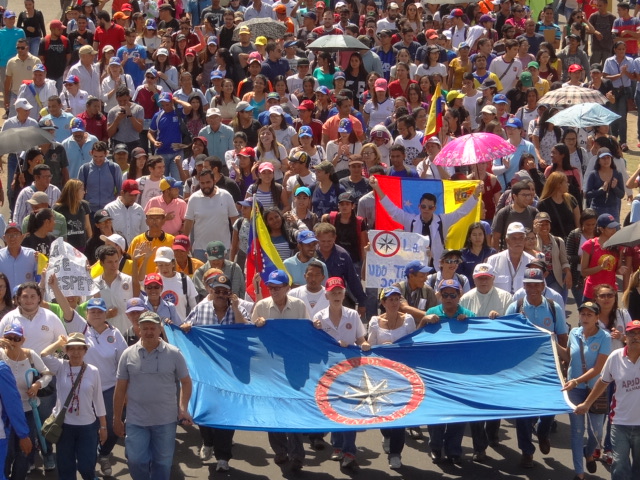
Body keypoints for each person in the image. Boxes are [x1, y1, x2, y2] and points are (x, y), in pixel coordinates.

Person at [179, 271, 248, 470]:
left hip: (229, 372)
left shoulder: (238, 309)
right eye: (217, 290)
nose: (220, 294)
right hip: (205, 371)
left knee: (227, 412)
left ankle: (223, 457)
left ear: (230, 294)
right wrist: (184, 327)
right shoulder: (201, 309)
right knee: (206, 409)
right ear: (211, 291)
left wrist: (235, 307)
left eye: (224, 292)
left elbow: (245, 330)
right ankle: (207, 441)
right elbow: (188, 325)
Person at [113, 310, 193, 480]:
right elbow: (120, 389)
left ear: (160, 330)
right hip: (136, 421)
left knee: (162, 464)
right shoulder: (127, 354)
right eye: (145, 328)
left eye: (153, 328)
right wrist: (117, 418)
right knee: (135, 461)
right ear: (139, 330)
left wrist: (183, 408)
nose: (149, 332)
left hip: (165, 421)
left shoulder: (174, 353)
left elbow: (186, 382)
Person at [505, 268, 567, 468]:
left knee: (549, 407)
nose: (532, 288)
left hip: (548, 367)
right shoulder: (515, 307)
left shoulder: (553, 307)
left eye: (536, 284)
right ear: (523, 286)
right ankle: (526, 451)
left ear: (543, 286)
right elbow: (505, 337)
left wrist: (565, 362)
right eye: (528, 284)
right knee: (523, 413)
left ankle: (542, 432)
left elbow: (562, 336)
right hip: (522, 369)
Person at [251, 269, 309, 471]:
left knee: (293, 408)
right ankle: (280, 450)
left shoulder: (299, 306)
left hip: (294, 365)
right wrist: (256, 326)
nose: (273, 291)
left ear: (287, 288)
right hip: (270, 367)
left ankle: (297, 455)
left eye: (277, 287)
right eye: (270, 287)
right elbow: (252, 339)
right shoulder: (261, 306)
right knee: (274, 408)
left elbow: (307, 333)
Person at [312, 277, 370, 472]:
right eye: (333, 293)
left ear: (344, 294)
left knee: (350, 409)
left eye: (340, 292)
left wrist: (363, 345)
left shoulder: (353, 315)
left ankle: (349, 451)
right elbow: (316, 345)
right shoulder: (318, 317)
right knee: (334, 408)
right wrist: (316, 329)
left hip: (351, 369)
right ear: (326, 295)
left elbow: (361, 338)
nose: (336, 296)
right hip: (329, 371)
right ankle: (337, 445)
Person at [575, 319, 640, 480]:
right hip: (619, 423)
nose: (636, 337)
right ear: (626, 336)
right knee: (619, 465)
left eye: (639, 334)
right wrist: (586, 403)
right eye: (632, 333)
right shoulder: (615, 357)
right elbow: (602, 382)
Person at [370, 175, 481, 269]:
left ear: (434, 208)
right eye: (423, 206)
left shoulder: (442, 220)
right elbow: (393, 210)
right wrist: (377, 188)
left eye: (430, 207)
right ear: (419, 207)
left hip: (437, 267)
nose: (426, 210)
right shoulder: (411, 220)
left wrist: (476, 194)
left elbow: (461, 212)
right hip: (415, 267)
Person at [40, 333, 107, 480]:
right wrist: (58, 342)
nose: (76, 352)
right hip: (64, 426)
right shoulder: (60, 366)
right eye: (72, 348)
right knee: (65, 468)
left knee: (86, 466)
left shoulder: (93, 371)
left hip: (87, 427)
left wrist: (103, 426)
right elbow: (44, 355)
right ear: (67, 351)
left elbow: (98, 400)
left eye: (79, 348)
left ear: (85, 351)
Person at [423, 278, 475, 464]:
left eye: (452, 294)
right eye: (444, 294)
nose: (448, 298)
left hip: (460, 375)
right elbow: (417, 339)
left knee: (458, 414)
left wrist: (469, 325)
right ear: (439, 295)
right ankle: (436, 447)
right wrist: (423, 320)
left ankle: (454, 449)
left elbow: (478, 343)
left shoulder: (469, 315)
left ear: (459, 296)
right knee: (437, 413)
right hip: (436, 373)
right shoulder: (431, 313)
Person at [557, 301, 611, 480]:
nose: (585, 317)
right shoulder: (574, 333)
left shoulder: (605, 337)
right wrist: (552, 342)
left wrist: (575, 381)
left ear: (597, 318)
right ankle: (579, 473)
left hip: (596, 390)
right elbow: (567, 357)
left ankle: (589, 453)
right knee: (577, 432)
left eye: (590, 315)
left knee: (597, 433)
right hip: (575, 391)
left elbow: (597, 369)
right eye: (583, 314)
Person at [367, 286, 415, 469]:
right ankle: (386, 434)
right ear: (383, 303)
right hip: (381, 375)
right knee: (384, 413)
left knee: (400, 416)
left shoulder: (408, 320)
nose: (394, 303)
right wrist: (382, 348)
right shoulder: (374, 322)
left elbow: (412, 345)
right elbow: (369, 347)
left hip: (403, 375)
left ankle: (396, 453)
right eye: (390, 299)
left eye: (397, 299)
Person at [0, 321, 48, 480]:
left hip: (27, 409)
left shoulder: (29, 354)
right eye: (9, 338)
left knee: (24, 451)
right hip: (6, 414)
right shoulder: (1, 356)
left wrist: (37, 384)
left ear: (23, 340)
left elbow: (47, 374)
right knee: (8, 451)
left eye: (16, 338)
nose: (12, 342)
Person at [183, 169, 238, 262]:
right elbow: (188, 222)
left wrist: (236, 244)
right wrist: (185, 244)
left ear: (214, 181)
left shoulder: (226, 195)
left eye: (208, 182)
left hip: (224, 249)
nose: (205, 186)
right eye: (202, 183)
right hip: (200, 250)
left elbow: (235, 221)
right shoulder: (193, 198)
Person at [581, 214, 627, 301]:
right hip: (592, 293)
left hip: (610, 293)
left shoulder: (618, 247)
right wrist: (601, 267)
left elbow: (616, 269)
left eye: (615, 227)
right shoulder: (589, 245)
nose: (614, 230)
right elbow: (583, 272)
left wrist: (620, 270)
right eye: (610, 228)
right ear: (601, 229)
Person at [487, 222, 536, 294]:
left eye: (521, 238)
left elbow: (540, 289)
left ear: (525, 240)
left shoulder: (532, 262)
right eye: (514, 238)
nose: (518, 241)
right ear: (507, 240)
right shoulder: (493, 260)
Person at [104, 179, 147, 247]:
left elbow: (144, 231)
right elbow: (105, 232)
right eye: (130, 195)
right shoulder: (110, 208)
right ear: (122, 193)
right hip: (116, 251)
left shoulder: (139, 209)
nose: (133, 198)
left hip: (135, 250)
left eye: (135, 195)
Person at [0, 222, 37, 293]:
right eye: (9, 235)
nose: (12, 238)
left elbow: (39, 277)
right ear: (4, 238)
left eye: (16, 234)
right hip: (5, 301)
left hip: (26, 301)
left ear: (22, 236)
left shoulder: (31, 255)